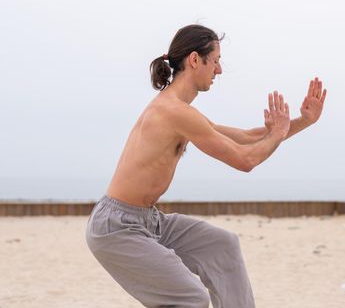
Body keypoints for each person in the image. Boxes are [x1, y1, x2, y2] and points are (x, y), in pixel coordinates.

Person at [85, 24, 327, 308]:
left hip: (149, 220)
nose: (220, 70)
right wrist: (276, 134)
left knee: (223, 246)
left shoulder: (182, 112)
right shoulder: (172, 112)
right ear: (195, 60)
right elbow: (245, 160)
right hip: (117, 227)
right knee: (190, 298)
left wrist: (303, 122)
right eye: (216, 61)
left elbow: (248, 138)